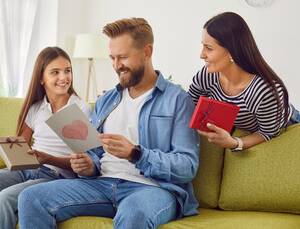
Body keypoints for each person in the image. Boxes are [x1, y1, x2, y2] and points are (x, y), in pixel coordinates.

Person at [18, 17, 200, 229]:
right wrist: (87, 166)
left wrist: (136, 154)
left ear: (147, 52)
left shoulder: (177, 100)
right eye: (112, 58)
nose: (116, 66)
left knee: (134, 214)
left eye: (122, 57)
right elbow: (94, 155)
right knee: (31, 197)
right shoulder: (106, 100)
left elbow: (187, 166)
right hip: (100, 184)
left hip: (152, 188)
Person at [0, 46, 92, 229]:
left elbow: (85, 164)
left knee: (2, 201)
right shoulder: (36, 108)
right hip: (25, 171)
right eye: (55, 72)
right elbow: (21, 146)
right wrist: (10, 147)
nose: (64, 77)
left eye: (67, 71)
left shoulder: (80, 109)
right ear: (41, 78)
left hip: (56, 177)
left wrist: (48, 159)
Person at [189, 12, 300, 151]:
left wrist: (234, 143)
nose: (201, 55)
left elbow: (268, 133)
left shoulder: (264, 91)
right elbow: (188, 104)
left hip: (288, 127)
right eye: (203, 46)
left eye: (209, 48)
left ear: (231, 51)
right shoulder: (207, 76)